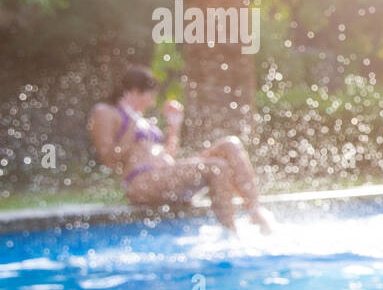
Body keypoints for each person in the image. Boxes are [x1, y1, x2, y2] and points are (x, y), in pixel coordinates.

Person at [88, 65, 272, 233]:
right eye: (150, 96)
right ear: (135, 92)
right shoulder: (106, 112)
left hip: (164, 174)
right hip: (141, 182)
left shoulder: (140, 118)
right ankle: (231, 233)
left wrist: (174, 126)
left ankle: (256, 212)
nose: (152, 103)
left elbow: (167, 157)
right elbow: (109, 159)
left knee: (229, 145)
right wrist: (132, 120)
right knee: (217, 167)